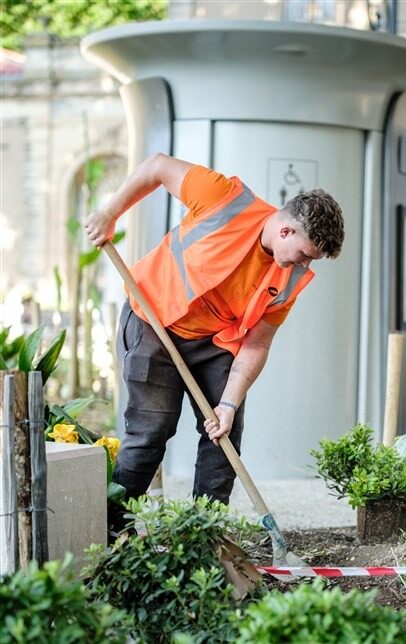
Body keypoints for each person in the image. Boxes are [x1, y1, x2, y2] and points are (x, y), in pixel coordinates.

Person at [85, 154, 344, 528]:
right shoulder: (224, 197)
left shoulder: (289, 279)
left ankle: (201, 535)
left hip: (212, 342)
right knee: (150, 433)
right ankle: (109, 533)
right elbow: (156, 166)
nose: (305, 265)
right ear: (286, 231)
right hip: (152, 321)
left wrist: (227, 403)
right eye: (305, 255)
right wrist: (110, 212)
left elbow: (257, 344)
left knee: (224, 434)